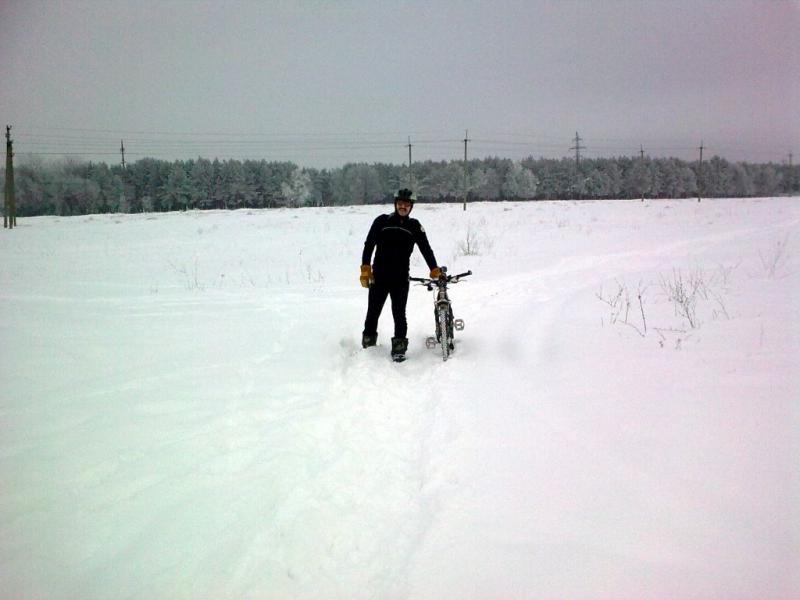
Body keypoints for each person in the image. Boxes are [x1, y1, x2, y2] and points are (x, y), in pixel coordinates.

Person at [360, 188, 441, 360]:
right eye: (400, 203)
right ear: (395, 204)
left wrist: (434, 268)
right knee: (373, 312)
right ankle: (368, 345)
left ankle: (399, 349)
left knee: (399, 313)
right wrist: (365, 268)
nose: (403, 207)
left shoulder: (414, 226)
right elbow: (369, 245)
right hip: (379, 277)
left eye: (406, 204)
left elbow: (426, 249)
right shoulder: (381, 221)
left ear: (411, 207)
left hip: (400, 279)